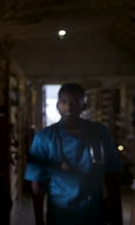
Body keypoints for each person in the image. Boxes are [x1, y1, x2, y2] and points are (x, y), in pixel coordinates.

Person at [24, 83, 122, 225]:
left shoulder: (99, 133)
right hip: (60, 216)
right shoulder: (43, 138)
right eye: (64, 102)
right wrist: (39, 220)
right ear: (57, 105)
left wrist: (117, 217)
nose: (69, 107)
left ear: (83, 105)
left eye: (75, 102)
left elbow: (112, 176)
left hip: (93, 214)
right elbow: (37, 185)